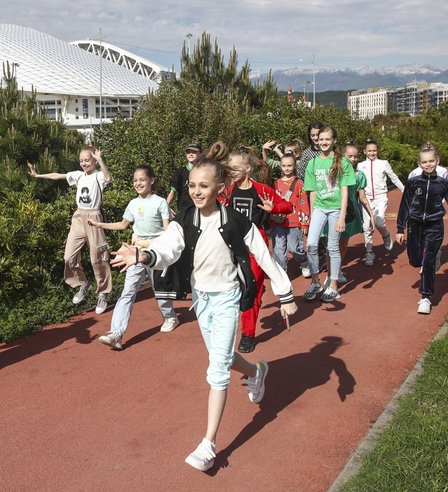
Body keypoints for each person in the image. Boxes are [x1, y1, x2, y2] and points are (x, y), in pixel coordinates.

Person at [110, 157, 297, 472]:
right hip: (202, 300)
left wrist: (285, 293)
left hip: (227, 297)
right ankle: (255, 372)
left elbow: (263, 255)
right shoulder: (185, 220)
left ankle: (208, 444)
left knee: (217, 370)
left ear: (219, 188)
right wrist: (144, 255)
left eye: (204, 186)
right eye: (192, 185)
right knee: (221, 356)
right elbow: (167, 248)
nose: (196, 191)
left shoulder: (236, 221)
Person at [90, 165, 179, 349]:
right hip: (136, 251)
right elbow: (123, 225)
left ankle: (170, 317)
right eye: (135, 180)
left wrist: (168, 250)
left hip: (155, 251)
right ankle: (116, 333)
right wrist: (99, 224)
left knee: (159, 289)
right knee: (128, 291)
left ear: (151, 181)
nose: (138, 183)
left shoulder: (160, 202)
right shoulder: (132, 204)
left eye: (142, 179)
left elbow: (166, 229)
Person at [396, 142, 448, 314]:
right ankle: (431, 259)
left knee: (427, 262)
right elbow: (404, 205)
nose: (428, 164)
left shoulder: (444, 183)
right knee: (415, 261)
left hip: (435, 226)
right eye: (424, 162)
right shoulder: (413, 182)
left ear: (437, 161)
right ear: (419, 164)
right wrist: (399, 228)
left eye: (431, 161)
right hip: (415, 225)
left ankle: (425, 297)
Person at [222, 146, 292, 353]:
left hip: (255, 247)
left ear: (248, 168)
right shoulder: (226, 191)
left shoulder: (261, 189)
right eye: (230, 168)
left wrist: (274, 208)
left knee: (249, 292)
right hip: (230, 247)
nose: (232, 171)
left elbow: (288, 206)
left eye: (236, 168)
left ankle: (248, 335)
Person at [28, 146, 113, 314]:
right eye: (81, 160)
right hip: (78, 217)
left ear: (95, 160)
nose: (84, 163)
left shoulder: (98, 177)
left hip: (94, 218)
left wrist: (101, 160)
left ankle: (103, 293)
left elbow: (108, 178)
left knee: (97, 259)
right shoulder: (79, 176)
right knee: (69, 256)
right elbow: (57, 176)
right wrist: (38, 175)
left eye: (87, 160)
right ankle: (83, 284)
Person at [302, 126, 355, 302]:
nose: (323, 142)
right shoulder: (313, 163)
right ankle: (316, 282)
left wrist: (342, 216)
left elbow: (345, 190)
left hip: (335, 209)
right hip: (319, 208)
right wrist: (311, 216)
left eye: (327, 139)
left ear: (334, 141)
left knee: (333, 247)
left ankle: (333, 286)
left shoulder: (342, 162)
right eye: (321, 139)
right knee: (311, 244)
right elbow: (313, 192)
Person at [323, 141, 375, 284]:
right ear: (343, 156)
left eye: (355, 156)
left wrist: (371, 215)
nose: (352, 159)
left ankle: (337, 270)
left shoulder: (359, 176)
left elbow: (362, 198)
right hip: (333, 210)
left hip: (349, 213)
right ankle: (329, 275)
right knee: (332, 244)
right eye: (349, 156)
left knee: (343, 244)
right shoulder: (334, 172)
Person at [357, 139, 404, 266]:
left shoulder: (383, 163)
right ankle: (369, 251)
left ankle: (386, 235)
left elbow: (393, 177)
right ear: (364, 151)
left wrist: (403, 189)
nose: (372, 153)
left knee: (379, 221)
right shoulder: (360, 165)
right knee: (367, 226)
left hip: (380, 197)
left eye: (374, 150)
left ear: (377, 151)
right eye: (369, 151)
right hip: (366, 198)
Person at [271, 150, 310, 278]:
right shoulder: (276, 183)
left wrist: (305, 223)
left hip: (294, 222)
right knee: (279, 251)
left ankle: (303, 261)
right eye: (284, 166)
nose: (286, 168)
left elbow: (303, 202)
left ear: (294, 166)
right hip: (278, 221)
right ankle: (282, 276)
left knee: (294, 248)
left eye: (289, 165)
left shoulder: (299, 183)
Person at [167, 142, 202, 216]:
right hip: (183, 211)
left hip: (200, 210)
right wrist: (166, 207)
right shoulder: (180, 172)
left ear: (200, 154)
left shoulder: (204, 172)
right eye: (188, 152)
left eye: (194, 152)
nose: (190, 154)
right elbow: (172, 192)